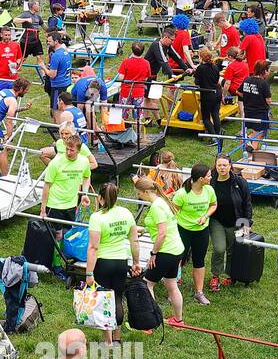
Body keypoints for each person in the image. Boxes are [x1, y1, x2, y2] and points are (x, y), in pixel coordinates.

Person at [84, 182, 140, 346]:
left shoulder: (97, 217)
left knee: (103, 301)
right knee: (116, 298)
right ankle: (117, 337)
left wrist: (88, 273)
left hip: (103, 263)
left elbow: (93, 247)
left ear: (100, 198)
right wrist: (136, 262)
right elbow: (134, 240)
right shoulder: (126, 213)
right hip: (121, 262)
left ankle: (108, 342)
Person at [40, 134, 93, 281]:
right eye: (67, 149)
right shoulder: (56, 162)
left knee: (67, 234)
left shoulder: (83, 162)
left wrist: (84, 194)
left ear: (79, 150)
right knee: (58, 235)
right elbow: (47, 185)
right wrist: (43, 208)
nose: (69, 152)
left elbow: (87, 176)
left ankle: (61, 258)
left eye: (72, 150)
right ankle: (56, 267)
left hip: (71, 205)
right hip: (54, 204)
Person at [134, 176, 184, 324]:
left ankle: (151, 321)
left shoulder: (156, 206)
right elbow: (161, 226)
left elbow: (162, 233)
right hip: (176, 249)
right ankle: (178, 321)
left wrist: (153, 254)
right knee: (171, 285)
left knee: (147, 284)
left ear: (146, 191)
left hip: (165, 251)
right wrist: (144, 230)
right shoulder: (161, 201)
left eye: (139, 193)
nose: (138, 196)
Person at [171, 164, 216, 305]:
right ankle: (173, 290)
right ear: (201, 179)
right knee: (177, 259)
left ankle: (199, 293)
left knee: (199, 260)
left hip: (201, 231)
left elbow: (213, 205)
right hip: (183, 230)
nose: (211, 177)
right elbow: (173, 212)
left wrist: (206, 216)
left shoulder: (209, 190)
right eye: (209, 175)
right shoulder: (182, 194)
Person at [208, 154, 253, 290]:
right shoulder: (210, 182)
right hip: (217, 221)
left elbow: (247, 204)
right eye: (219, 165)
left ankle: (231, 275)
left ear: (230, 166)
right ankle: (215, 276)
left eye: (224, 165)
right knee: (219, 248)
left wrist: (247, 224)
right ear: (215, 166)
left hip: (237, 221)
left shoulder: (240, 182)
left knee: (234, 249)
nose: (222, 168)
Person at [0, 78, 30, 176]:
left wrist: (24, 108)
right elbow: (9, 120)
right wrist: (9, 137)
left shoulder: (5, 92)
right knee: (2, 150)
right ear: (20, 89)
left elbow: (5, 108)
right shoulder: (13, 100)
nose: (27, 92)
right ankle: (5, 177)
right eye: (26, 90)